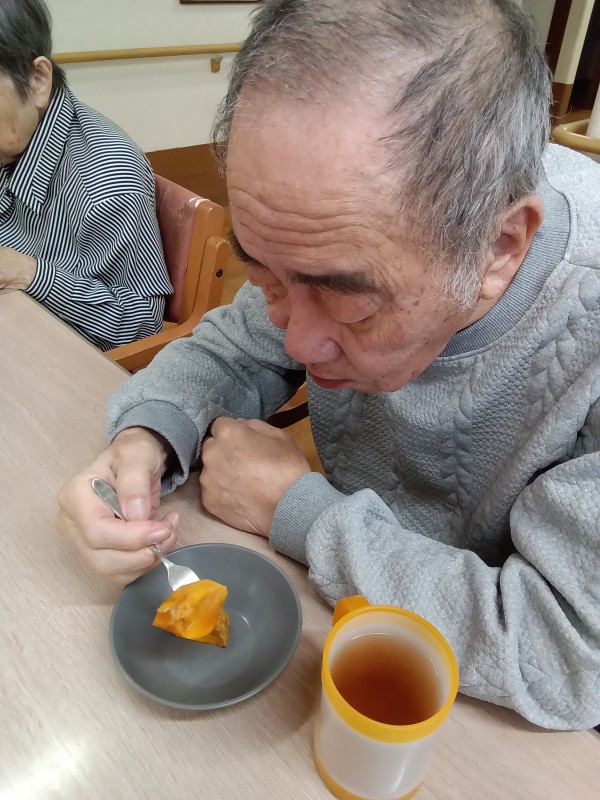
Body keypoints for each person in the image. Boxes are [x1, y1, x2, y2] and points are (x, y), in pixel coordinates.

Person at [57, 0, 600, 731]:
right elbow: (230, 348)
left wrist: (299, 512)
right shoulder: (320, 237)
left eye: (352, 305)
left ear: (499, 249)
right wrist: (148, 435)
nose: (298, 345)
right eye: (266, 278)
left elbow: (566, 653)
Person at [0, 0, 172, 350]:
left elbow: (143, 328)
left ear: (37, 80)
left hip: (67, 358)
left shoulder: (106, 179)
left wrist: (28, 273)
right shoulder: (13, 139)